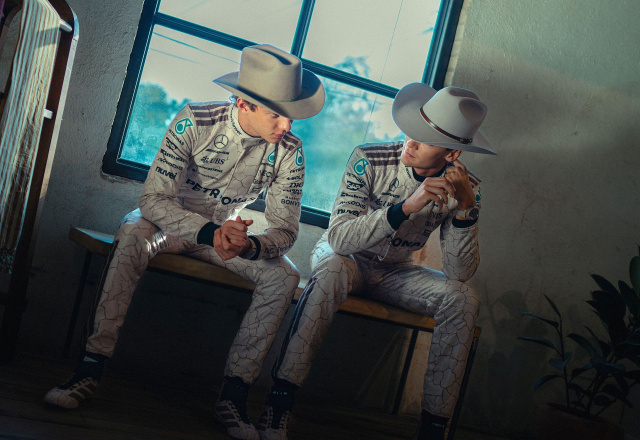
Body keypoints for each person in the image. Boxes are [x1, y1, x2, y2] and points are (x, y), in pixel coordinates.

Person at [44, 44, 325, 440]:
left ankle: (233, 396)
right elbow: (153, 200)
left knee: (284, 276)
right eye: (276, 114)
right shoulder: (195, 119)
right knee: (132, 232)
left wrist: (248, 245)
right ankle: (89, 369)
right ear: (243, 103)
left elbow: (285, 230)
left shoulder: (290, 151)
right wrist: (211, 232)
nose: (286, 125)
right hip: (169, 224)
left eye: (290, 115)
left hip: (224, 239)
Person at [258, 83, 496, 440]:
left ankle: (433, 430)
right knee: (333, 268)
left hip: (395, 272)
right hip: (346, 259)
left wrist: (466, 210)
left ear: (452, 155)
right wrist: (406, 208)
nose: (410, 142)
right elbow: (339, 240)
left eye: (426, 140)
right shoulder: (369, 158)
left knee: (464, 299)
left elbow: (459, 273)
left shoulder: (467, 188)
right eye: (413, 130)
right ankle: (279, 402)